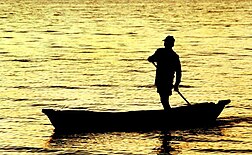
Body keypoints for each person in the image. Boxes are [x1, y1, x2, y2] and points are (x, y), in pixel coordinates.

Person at [148, 35, 181, 110]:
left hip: (163, 80)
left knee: (164, 99)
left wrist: (176, 85)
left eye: (166, 42)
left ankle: (168, 113)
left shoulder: (160, 52)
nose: (165, 43)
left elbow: (151, 58)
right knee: (164, 99)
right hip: (167, 80)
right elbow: (178, 72)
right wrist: (176, 84)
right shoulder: (174, 56)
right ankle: (168, 112)